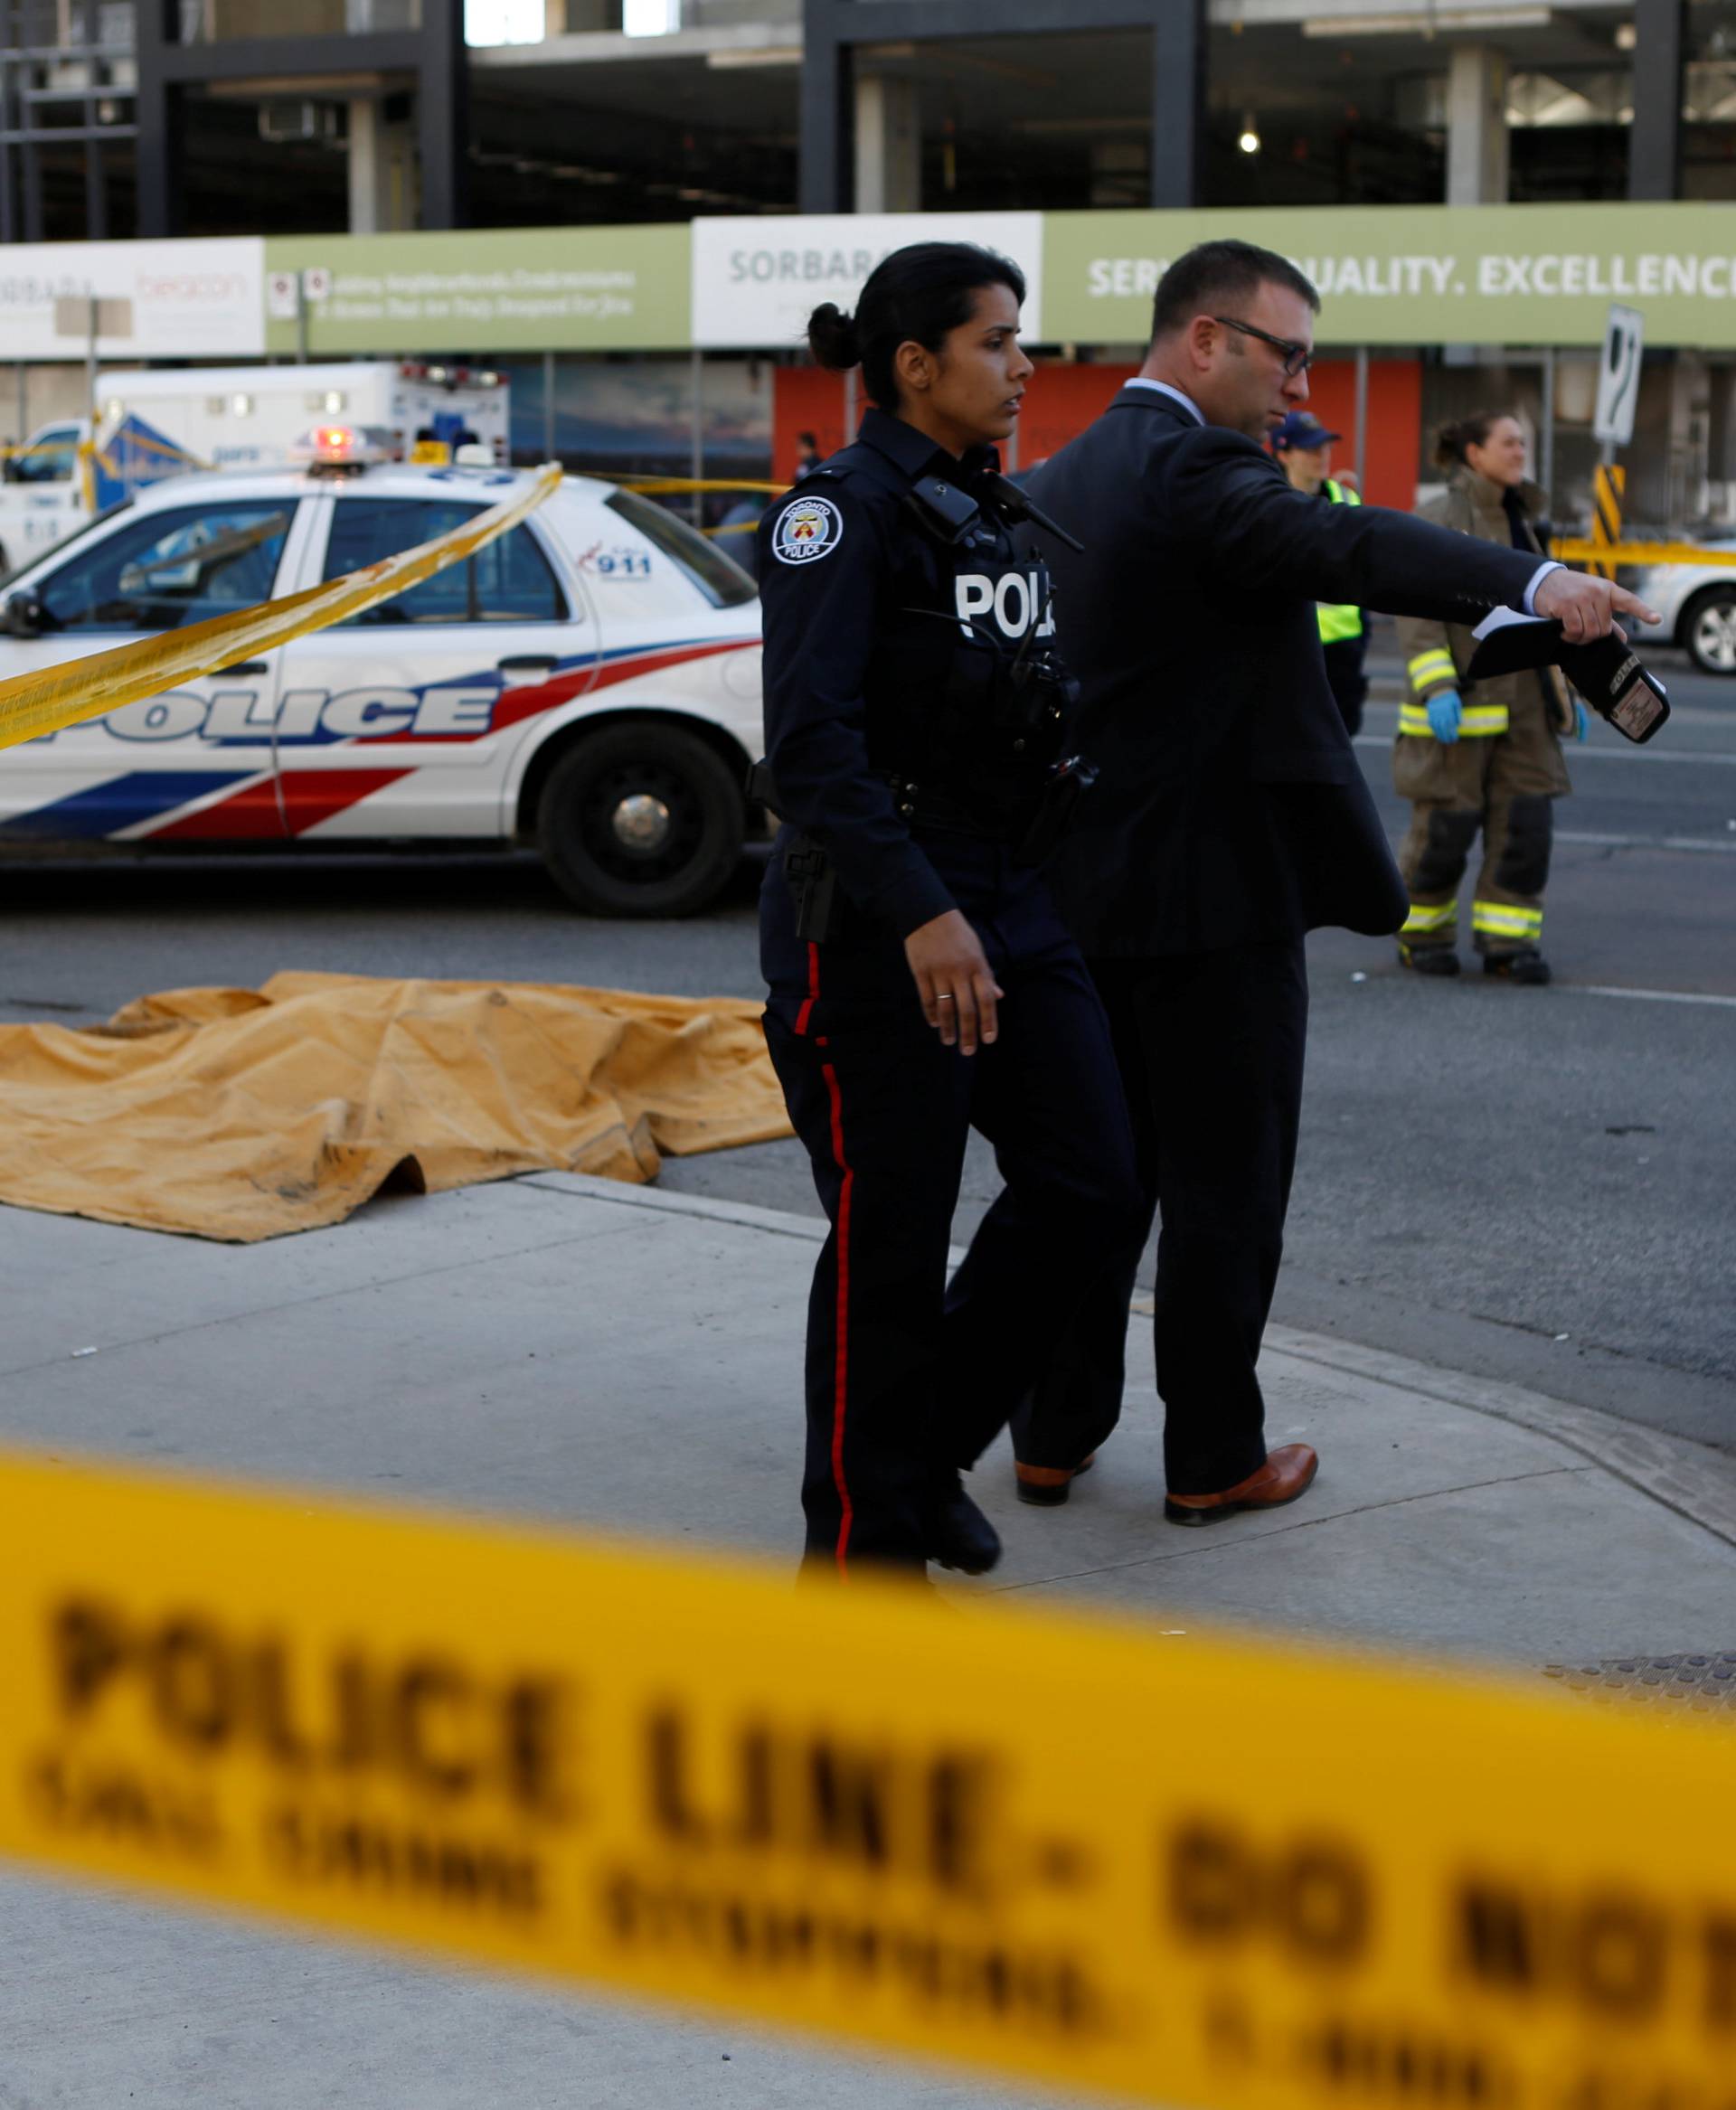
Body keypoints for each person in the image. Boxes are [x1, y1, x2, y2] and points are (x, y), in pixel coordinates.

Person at [1013, 238, 1656, 1526]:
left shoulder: (1058, 476)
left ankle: (1049, 1430)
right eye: (1286, 353)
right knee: (1225, 1186)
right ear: (1206, 340)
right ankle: (1212, 1456)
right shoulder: (1199, 462)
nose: (1299, 386)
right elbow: (1347, 547)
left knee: (1091, 1179)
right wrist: (1532, 579)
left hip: (1083, 895)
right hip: (1217, 903)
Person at [756, 241, 1141, 1581]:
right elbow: (809, 749)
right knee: (890, 1242)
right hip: (880, 922)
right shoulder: (837, 516)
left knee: (1095, 1183)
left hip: (1012, 899)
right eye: (998, 341)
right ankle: (858, 1556)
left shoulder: (990, 507)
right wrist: (922, 910)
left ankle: (917, 1462)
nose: (1024, 364)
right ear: (916, 365)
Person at [1393, 411, 1586, 985]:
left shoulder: (1527, 521)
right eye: (1509, 442)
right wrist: (1437, 687)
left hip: (1528, 714)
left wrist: (1570, 692)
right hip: (1464, 707)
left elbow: (1552, 612)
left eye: (1524, 442)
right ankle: (1421, 934)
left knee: (1527, 831)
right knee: (1444, 835)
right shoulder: (1438, 520)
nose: (1520, 451)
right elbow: (1416, 611)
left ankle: (1509, 943)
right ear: (1474, 454)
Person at [1273, 409, 1368, 735]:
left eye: (1325, 447)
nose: (1322, 456)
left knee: (1340, 741)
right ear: (1284, 454)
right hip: (1287, 645)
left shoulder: (1346, 499)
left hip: (1342, 648)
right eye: (1311, 449)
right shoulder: (1267, 502)